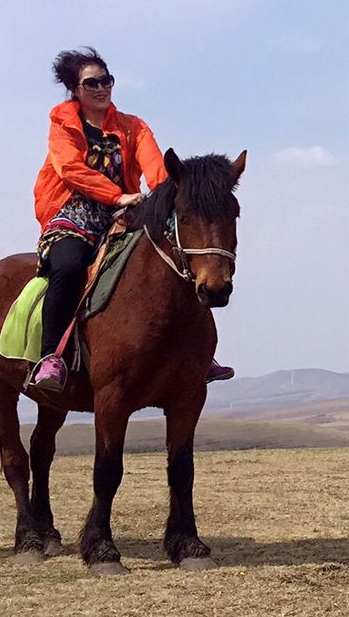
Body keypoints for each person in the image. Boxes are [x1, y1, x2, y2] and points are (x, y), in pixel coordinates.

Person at [28, 48, 234, 391]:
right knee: (68, 265)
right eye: (91, 82)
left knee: (174, 257)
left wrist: (173, 192)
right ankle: (51, 356)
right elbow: (70, 169)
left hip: (124, 212)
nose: (101, 88)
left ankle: (199, 353)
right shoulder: (63, 125)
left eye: (106, 80)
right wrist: (116, 195)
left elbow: (154, 167)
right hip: (73, 213)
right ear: (75, 89)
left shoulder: (133, 126)